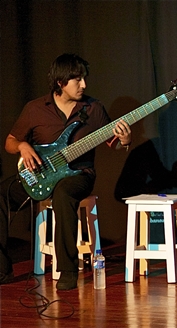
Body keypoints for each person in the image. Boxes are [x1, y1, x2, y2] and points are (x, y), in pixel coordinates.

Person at [0, 53, 132, 290]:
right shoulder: (35, 109)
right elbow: (10, 141)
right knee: (0, 193)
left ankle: (68, 270)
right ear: (61, 82)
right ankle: (2, 269)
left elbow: (113, 143)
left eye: (84, 79)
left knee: (63, 194)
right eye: (77, 80)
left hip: (79, 175)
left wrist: (125, 140)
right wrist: (22, 146)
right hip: (41, 174)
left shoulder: (93, 108)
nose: (84, 85)